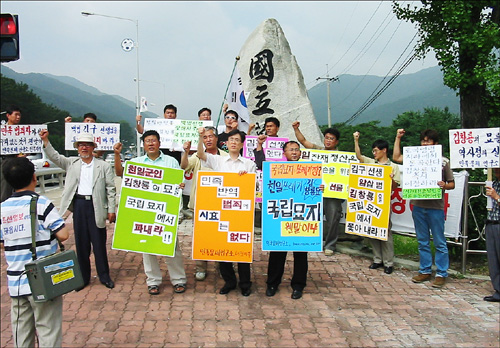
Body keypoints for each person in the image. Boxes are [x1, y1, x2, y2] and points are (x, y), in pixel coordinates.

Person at [1, 157, 69, 348]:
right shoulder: (41, 204)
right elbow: (63, 234)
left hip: (15, 281)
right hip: (43, 280)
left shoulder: (2, 209)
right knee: (48, 330)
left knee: (21, 334)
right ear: (34, 177)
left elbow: (2, 242)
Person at [113, 130, 188, 295]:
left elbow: (179, 182)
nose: (151, 143)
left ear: (159, 143)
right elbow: (120, 173)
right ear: (144, 144)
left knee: (171, 246)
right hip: (145, 212)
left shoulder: (170, 162)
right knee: (146, 247)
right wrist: (117, 155)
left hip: (165, 212)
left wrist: (179, 186)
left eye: (153, 140)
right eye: (147, 141)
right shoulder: (137, 162)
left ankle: (179, 280)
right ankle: (153, 281)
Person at [40, 129, 116, 289]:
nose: (84, 148)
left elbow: (110, 188)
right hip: (79, 206)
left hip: (96, 207)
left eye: (87, 145)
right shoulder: (72, 163)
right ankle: (83, 277)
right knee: (81, 244)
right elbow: (55, 157)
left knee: (99, 244)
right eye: (81, 145)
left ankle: (104, 276)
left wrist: (111, 209)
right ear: (77, 148)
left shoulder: (103, 166)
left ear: (92, 147)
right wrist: (46, 141)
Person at [196, 128, 256, 296]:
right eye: (231, 140)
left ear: (242, 144)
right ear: (226, 143)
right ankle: (229, 282)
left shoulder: (249, 164)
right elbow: (201, 154)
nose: (234, 142)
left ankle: (245, 284)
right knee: (223, 248)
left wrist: (247, 180)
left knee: (241, 247)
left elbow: (254, 188)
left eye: (237, 140)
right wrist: (200, 137)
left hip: (241, 212)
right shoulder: (218, 161)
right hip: (221, 210)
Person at [393, 128, 455, 288]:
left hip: (436, 207)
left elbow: (452, 183)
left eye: (428, 141)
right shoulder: (415, 158)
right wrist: (398, 138)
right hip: (418, 206)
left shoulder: (443, 161)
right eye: (423, 140)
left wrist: (444, 185)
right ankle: (425, 270)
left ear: (435, 143)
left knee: (439, 241)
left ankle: (441, 273)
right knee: (422, 241)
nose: (425, 143)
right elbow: (396, 157)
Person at [265, 140, 322, 300]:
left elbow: (314, 190)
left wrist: (319, 188)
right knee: (277, 252)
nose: (295, 152)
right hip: (281, 217)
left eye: (297, 150)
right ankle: (272, 283)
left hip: (300, 219)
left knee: (300, 253)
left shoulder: (310, 170)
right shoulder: (276, 170)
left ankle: (298, 285)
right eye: (291, 150)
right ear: (285, 153)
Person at [181, 126, 228, 281]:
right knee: (201, 237)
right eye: (205, 137)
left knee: (221, 236)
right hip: (200, 204)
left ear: (217, 139)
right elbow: (184, 166)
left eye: (210, 136)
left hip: (221, 204)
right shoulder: (198, 156)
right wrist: (185, 152)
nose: (208, 140)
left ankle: (223, 266)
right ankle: (201, 267)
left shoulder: (226, 156)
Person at [292, 121, 343, 256]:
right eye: (326, 137)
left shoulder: (342, 158)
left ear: (336, 142)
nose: (328, 141)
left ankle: (330, 245)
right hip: (315, 192)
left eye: (331, 139)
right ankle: (312, 241)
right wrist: (296, 129)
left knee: (333, 219)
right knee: (312, 216)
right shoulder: (317, 151)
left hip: (333, 194)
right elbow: (303, 142)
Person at [353, 132, 401, 274]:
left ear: (384, 150)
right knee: (372, 231)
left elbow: (395, 187)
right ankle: (377, 259)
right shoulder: (371, 163)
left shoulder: (393, 167)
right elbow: (359, 157)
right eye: (373, 151)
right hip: (370, 201)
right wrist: (356, 140)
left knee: (385, 233)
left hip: (384, 203)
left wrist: (391, 179)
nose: (374, 153)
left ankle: (388, 262)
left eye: (376, 150)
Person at [484, 167, 500, 302]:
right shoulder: (492, 183)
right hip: (491, 223)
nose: (497, 173)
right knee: (493, 258)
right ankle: (498, 289)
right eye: (495, 170)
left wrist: (496, 197)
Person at [1, 105, 23, 202]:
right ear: (8, 116)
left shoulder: (23, 131)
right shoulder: (2, 131)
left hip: (19, 163)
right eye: (16, 115)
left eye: (19, 115)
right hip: (5, 162)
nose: (18, 117)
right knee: (5, 189)